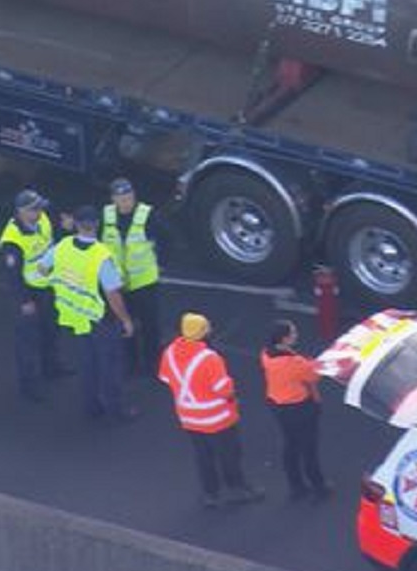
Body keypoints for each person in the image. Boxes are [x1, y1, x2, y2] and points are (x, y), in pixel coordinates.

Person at [43, 205, 139, 422]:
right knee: (110, 367)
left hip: (77, 316)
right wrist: (126, 320)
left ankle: (91, 407)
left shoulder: (62, 247)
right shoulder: (101, 256)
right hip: (102, 319)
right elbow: (113, 294)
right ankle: (116, 412)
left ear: (75, 224)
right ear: (97, 225)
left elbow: (42, 268)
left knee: (88, 364)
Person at [159, 313, 265, 508]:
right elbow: (223, 389)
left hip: (189, 417)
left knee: (203, 456)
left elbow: (166, 379)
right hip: (217, 419)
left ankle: (211, 493)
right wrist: (232, 394)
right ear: (203, 333)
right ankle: (237, 488)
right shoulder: (210, 358)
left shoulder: (170, 352)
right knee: (229, 454)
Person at [0, 188, 63, 402]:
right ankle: (29, 386)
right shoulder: (12, 240)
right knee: (27, 341)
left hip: (47, 286)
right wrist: (24, 300)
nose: (39, 212)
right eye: (34, 210)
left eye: (39, 208)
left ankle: (51, 368)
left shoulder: (42, 218)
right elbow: (13, 276)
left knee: (50, 330)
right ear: (21, 212)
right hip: (29, 293)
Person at [101, 177, 168, 377]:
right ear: (113, 199)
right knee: (125, 325)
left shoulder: (147, 215)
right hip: (119, 285)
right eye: (121, 198)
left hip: (144, 283)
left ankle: (153, 366)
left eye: (129, 196)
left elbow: (167, 238)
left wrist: (162, 263)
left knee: (150, 327)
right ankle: (131, 365)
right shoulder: (106, 216)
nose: (126, 201)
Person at [261, 319, 331, 502]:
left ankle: (296, 485)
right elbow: (314, 376)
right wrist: (312, 362)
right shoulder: (294, 362)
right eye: (292, 333)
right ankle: (318, 485)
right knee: (309, 448)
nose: (296, 336)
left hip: (278, 405)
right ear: (284, 339)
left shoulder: (266, 355)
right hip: (300, 408)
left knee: (291, 445)